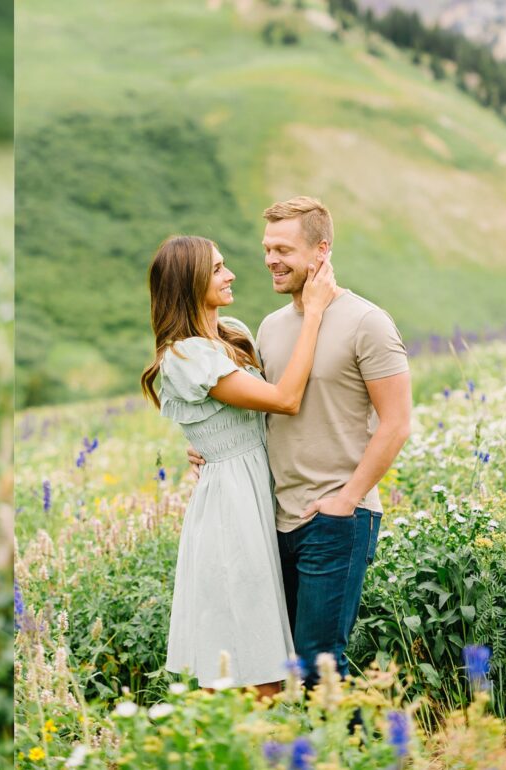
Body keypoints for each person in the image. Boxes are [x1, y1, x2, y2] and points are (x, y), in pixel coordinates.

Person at [188, 196, 412, 688]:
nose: (271, 259)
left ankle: (353, 760)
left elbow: (397, 422)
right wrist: (212, 444)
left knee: (317, 662)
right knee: (279, 663)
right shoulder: (269, 327)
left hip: (335, 518)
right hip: (274, 518)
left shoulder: (366, 322)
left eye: (284, 249)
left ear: (321, 252)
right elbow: (269, 411)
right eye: (267, 248)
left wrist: (347, 500)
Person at [140, 234, 336, 698]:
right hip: (232, 507)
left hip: (261, 491)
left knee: (262, 636)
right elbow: (285, 399)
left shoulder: (232, 333)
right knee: (249, 651)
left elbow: (249, 418)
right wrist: (315, 312)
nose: (230, 276)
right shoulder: (184, 356)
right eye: (217, 269)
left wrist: (213, 441)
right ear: (190, 284)